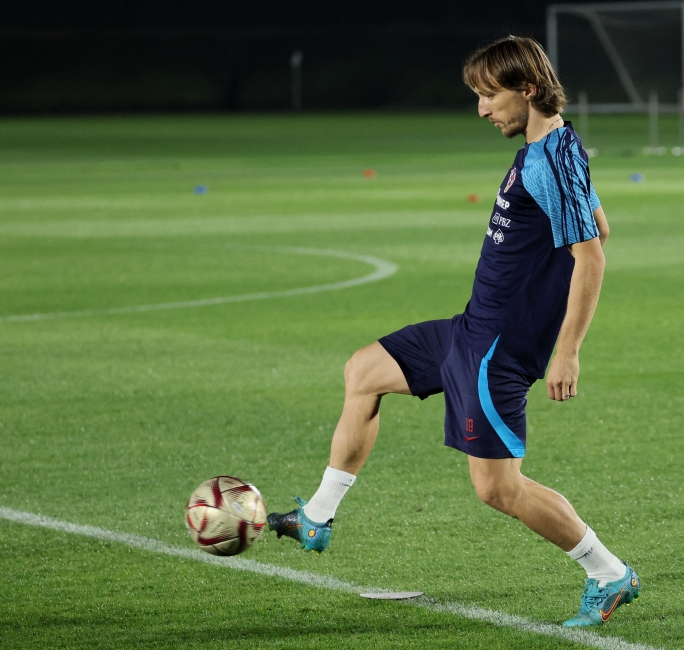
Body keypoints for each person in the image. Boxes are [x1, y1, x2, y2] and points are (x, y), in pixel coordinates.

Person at [267, 35, 640, 628]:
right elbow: (600, 224)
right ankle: (317, 515)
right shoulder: (551, 150)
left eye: (489, 96)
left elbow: (592, 254)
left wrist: (566, 349)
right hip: (471, 328)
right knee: (363, 370)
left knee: (497, 489)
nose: (481, 109)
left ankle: (608, 572)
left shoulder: (550, 158)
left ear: (529, 90)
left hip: (495, 350)